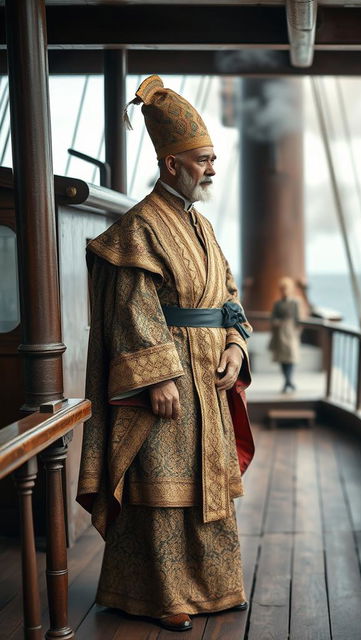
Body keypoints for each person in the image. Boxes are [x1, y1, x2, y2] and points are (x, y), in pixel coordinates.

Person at [76, 75, 254, 632]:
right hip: (169, 381)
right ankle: (160, 596)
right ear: (172, 162)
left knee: (207, 486)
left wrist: (234, 344)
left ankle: (214, 589)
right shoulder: (140, 228)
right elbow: (132, 307)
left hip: (209, 376)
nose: (212, 170)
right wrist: (156, 376)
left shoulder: (200, 226)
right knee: (161, 487)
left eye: (214, 159)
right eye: (203, 160)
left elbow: (227, 292)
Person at [268, 276, 301, 393]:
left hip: (291, 333)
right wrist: (277, 323)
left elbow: (299, 319)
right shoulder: (277, 303)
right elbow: (272, 318)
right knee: (282, 359)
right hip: (280, 334)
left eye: (286, 288)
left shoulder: (295, 302)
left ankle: (289, 381)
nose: (284, 291)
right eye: (282, 289)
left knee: (291, 358)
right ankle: (288, 382)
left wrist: (296, 332)